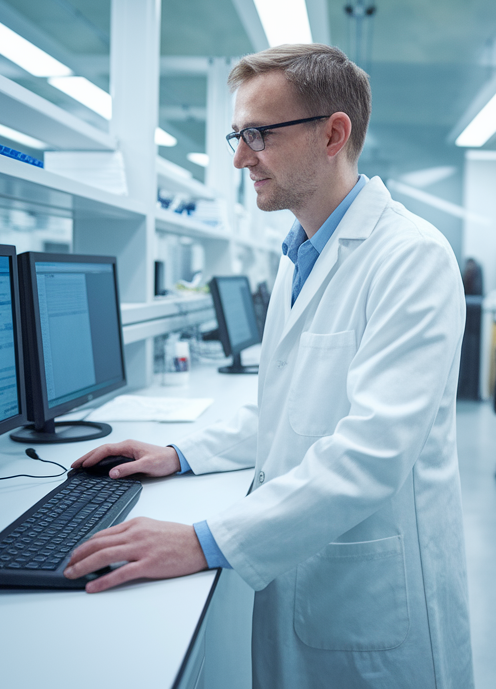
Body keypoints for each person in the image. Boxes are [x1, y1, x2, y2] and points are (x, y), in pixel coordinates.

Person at [64, 44, 474, 688]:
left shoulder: (411, 257)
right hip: (311, 563)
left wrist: (202, 540)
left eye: (258, 134)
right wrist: (181, 453)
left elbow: (373, 451)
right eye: (237, 134)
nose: (238, 157)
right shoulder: (299, 252)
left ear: (333, 133)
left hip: (375, 594)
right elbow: (287, 410)